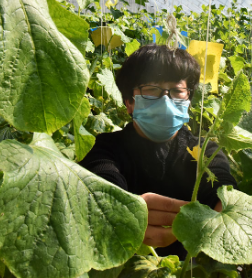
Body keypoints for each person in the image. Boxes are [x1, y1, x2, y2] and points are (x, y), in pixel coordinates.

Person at [79, 44, 237, 258]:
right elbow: (102, 178)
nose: (166, 99)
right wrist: (120, 212)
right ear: (129, 102)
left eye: (177, 90)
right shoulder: (106, 147)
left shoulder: (204, 148)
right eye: (152, 90)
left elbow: (224, 189)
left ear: (188, 99)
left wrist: (223, 211)